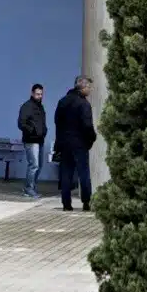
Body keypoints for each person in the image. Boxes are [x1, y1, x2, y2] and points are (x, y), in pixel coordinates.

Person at [53, 76, 97, 211]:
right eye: (88, 87)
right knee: (83, 173)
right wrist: (92, 138)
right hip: (80, 144)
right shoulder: (84, 104)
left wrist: (59, 142)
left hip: (65, 143)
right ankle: (86, 202)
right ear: (82, 87)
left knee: (66, 173)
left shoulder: (63, 101)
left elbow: (57, 122)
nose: (90, 90)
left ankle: (66, 203)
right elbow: (87, 125)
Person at [16, 83, 48, 199]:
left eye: (41, 94)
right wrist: (32, 131)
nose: (40, 96)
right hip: (31, 140)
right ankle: (29, 189)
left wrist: (44, 131)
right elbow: (21, 123)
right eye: (37, 94)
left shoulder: (40, 106)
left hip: (40, 140)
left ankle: (30, 187)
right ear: (32, 93)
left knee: (39, 165)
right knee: (34, 165)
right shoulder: (27, 106)